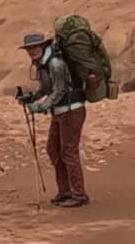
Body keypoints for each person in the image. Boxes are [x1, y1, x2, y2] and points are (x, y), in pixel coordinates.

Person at [20, 29, 89, 208]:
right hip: (60, 112)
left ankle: (79, 194)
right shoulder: (44, 64)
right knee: (54, 150)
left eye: (34, 47)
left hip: (70, 110)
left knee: (68, 152)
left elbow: (59, 91)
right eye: (29, 48)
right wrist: (31, 98)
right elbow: (45, 88)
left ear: (42, 46)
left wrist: (39, 106)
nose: (31, 50)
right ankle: (65, 191)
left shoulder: (56, 64)